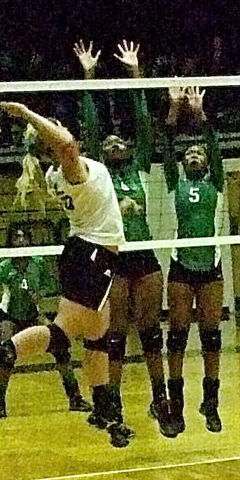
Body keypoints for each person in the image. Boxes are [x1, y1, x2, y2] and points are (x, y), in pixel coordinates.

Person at [0, 100, 131, 447]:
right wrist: (25, 113)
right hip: (92, 253)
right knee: (64, 332)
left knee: (98, 336)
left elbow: (72, 147)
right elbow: (66, 143)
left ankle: (105, 411)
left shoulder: (60, 172)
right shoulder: (67, 167)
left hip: (89, 252)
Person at [75, 39, 175, 436]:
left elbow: (144, 121)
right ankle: (113, 407)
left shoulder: (138, 163)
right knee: (115, 335)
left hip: (143, 253)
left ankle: (160, 398)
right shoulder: (96, 172)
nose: (115, 142)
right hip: (112, 257)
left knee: (151, 332)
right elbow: (91, 124)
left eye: (121, 141)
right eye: (109, 142)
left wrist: (135, 73)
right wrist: (88, 75)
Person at [0, 222, 92, 418]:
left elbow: (49, 285)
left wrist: (40, 294)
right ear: (11, 243)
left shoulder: (37, 263)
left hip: (33, 314)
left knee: (61, 347)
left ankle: (75, 398)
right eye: (16, 237)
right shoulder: (3, 268)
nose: (21, 241)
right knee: (7, 354)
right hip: (9, 317)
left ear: (30, 241)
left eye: (24, 237)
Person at [163, 86, 226, 433]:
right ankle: (176, 407)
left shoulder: (216, 182)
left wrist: (201, 116)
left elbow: (215, 149)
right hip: (181, 267)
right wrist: (175, 111)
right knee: (177, 336)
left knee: (211, 337)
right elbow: (167, 145)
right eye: (189, 154)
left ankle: (211, 402)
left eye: (199, 152)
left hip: (211, 266)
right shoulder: (175, 185)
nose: (194, 155)